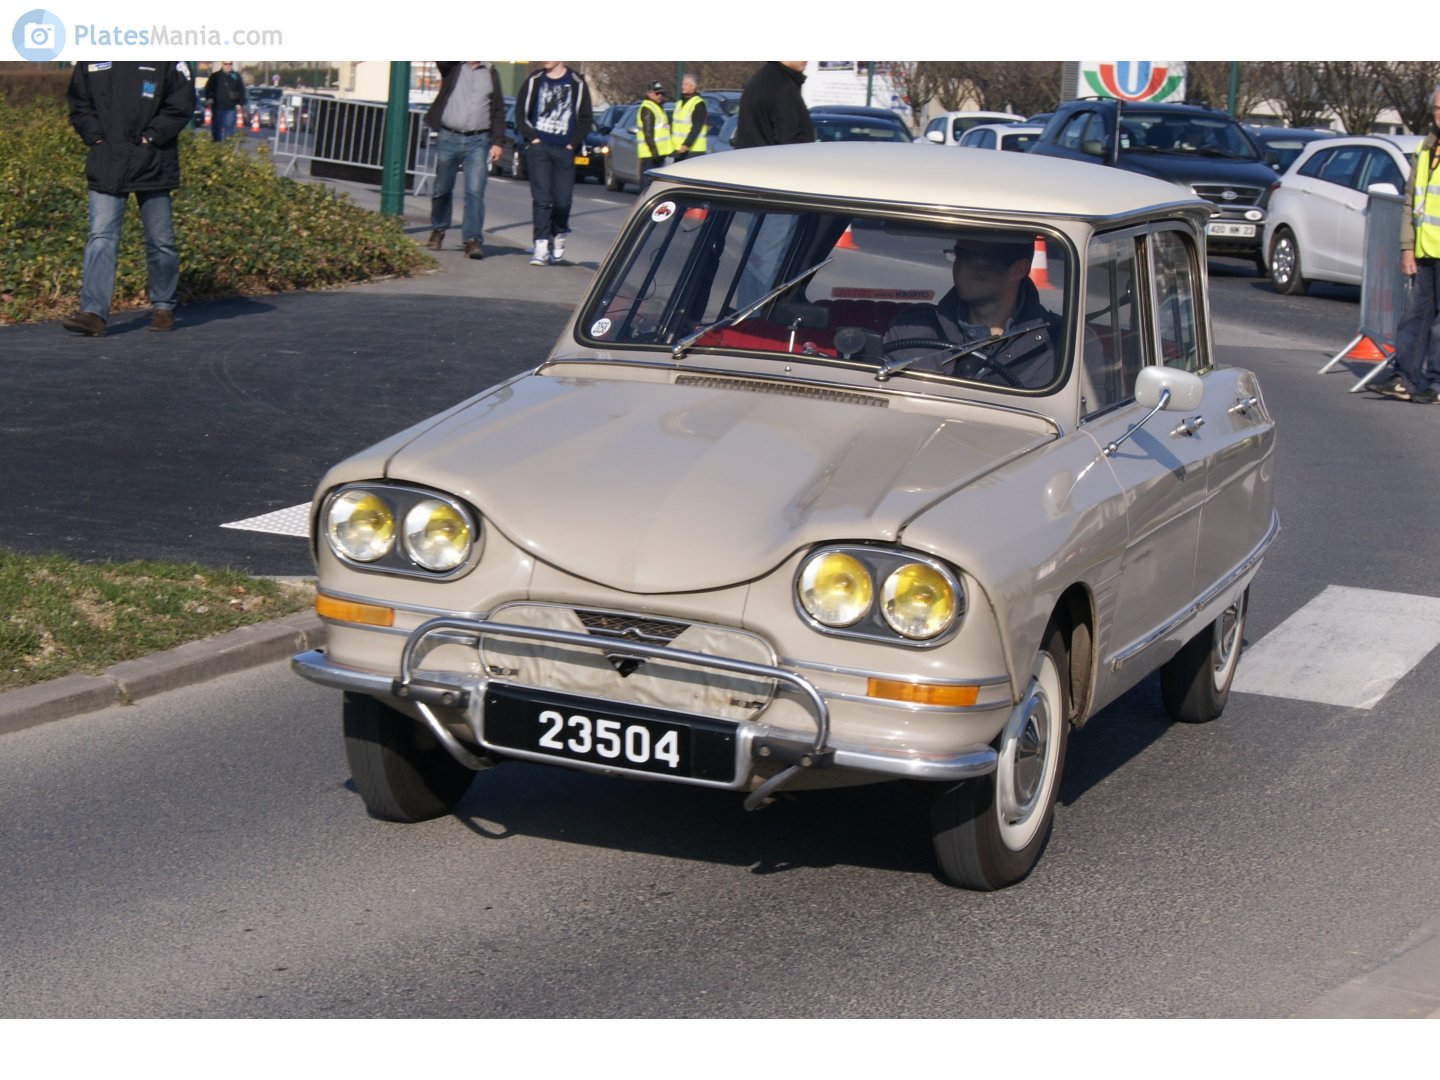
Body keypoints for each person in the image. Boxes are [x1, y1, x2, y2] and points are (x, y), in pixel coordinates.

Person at [61, 60, 196, 337]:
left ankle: (163, 307)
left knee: (160, 240)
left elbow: (181, 100)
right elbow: (79, 102)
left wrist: (151, 137)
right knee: (101, 237)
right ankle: (93, 313)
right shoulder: (93, 53)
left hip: (153, 160)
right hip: (108, 160)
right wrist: (95, 137)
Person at [882, 231, 1060, 388]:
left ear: (1018, 270)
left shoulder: (1057, 346)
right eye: (959, 255)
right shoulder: (913, 326)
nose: (961, 270)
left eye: (978, 261)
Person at [1373, 87, 1440, 404]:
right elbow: (1410, 204)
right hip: (1426, 252)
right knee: (1415, 317)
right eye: (1438, 108)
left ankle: (1434, 383)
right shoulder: (1425, 150)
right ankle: (1406, 376)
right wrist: (1407, 247)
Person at [423, 62, 505, 259]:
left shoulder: (491, 72)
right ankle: (438, 229)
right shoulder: (453, 66)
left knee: (475, 191)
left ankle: (472, 240)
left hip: (478, 140)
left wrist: (497, 142)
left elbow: (498, 109)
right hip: (449, 136)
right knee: (442, 187)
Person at [514, 61, 593, 267]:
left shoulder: (577, 82)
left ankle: (559, 232)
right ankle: (540, 246)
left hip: (564, 150)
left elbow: (585, 118)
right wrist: (533, 139)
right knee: (541, 199)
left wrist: (571, 144)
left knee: (562, 201)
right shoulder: (534, 81)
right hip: (539, 148)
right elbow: (520, 114)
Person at [732, 62, 814, 149]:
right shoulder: (782, 86)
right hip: (772, 160)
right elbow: (789, 140)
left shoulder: (763, 79)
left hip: (750, 158)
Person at [203, 61, 245, 142]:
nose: (228, 66)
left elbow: (242, 90)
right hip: (217, 107)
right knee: (216, 128)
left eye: (230, 64)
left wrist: (240, 103)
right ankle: (216, 147)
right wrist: (209, 99)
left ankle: (227, 149)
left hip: (231, 108)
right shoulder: (215, 76)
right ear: (222, 64)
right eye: (226, 64)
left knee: (229, 128)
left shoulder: (236, 76)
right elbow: (207, 89)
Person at [670, 74, 708, 162]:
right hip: (679, 150)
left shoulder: (698, 104)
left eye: (685, 84)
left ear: (693, 87)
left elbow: (697, 126)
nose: (682, 87)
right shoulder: (679, 103)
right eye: (682, 84)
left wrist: (686, 144)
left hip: (693, 150)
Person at [637, 80, 673, 170]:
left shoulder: (658, 107)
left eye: (661, 93)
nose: (660, 95)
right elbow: (648, 133)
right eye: (657, 93)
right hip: (650, 155)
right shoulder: (648, 108)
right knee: (648, 182)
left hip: (659, 154)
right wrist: (654, 152)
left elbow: (664, 129)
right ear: (649, 93)